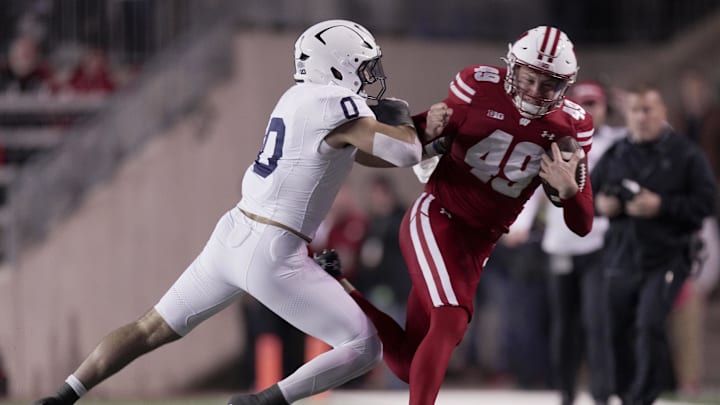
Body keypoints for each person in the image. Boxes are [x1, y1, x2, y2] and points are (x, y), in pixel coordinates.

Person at [34, 19, 422, 405]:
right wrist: (405, 122)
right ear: (337, 63)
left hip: (233, 233)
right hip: (274, 250)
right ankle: (262, 402)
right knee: (365, 344)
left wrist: (421, 141)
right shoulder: (337, 103)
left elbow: (361, 154)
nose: (369, 75)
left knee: (148, 329)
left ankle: (59, 398)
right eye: (363, 64)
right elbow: (405, 152)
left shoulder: (297, 98)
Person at [318, 26, 595, 405]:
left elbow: (584, 225)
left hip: (480, 242)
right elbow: (398, 148)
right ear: (512, 67)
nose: (534, 91)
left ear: (564, 87)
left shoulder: (572, 127)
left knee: (409, 361)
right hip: (437, 216)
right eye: (529, 78)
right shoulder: (477, 86)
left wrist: (569, 192)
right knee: (450, 319)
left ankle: (342, 286)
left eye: (548, 86)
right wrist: (422, 131)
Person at [591, 82, 716, 405]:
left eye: (648, 109)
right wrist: (601, 206)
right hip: (621, 258)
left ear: (663, 112)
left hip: (667, 258)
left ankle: (644, 398)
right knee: (616, 330)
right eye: (635, 110)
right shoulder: (616, 154)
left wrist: (661, 205)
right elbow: (587, 196)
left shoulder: (686, 154)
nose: (642, 116)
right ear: (627, 114)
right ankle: (625, 394)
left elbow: (707, 204)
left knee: (649, 325)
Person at [507, 80, 625, 405]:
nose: (588, 110)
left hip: (597, 244)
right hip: (560, 243)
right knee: (563, 328)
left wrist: (629, 104)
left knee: (596, 322)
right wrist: (519, 224)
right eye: (582, 103)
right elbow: (531, 185)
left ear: (605, 108)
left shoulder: (616, 141)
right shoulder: (554, 142)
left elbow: (661, 135)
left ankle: (601, 394)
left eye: (595, 104)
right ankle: (566, 395)